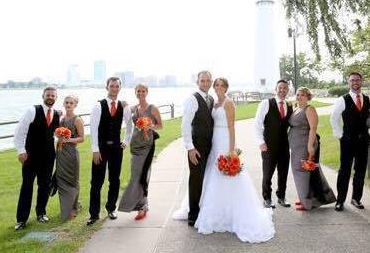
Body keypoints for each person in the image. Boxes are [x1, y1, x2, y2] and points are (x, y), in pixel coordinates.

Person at [174, 78, 275, 243]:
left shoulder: (228, 103)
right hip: (213, 143)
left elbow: (232, 127)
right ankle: (204, 208)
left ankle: (229, 213)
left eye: (222, 85)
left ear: (227, 88)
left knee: (226, 176)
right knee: (210, 174)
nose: (219, 87)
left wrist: (232, 150)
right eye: (217, 85)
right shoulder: (213, 102)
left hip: (225, 141)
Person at [13, 86, 61, 230]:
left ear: (56, 98)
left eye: (53, 95)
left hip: (48, 156)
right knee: (27, 186)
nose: (50, 97)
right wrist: (21, 150)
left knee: (44, 186)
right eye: (48, 95)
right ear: (43, 96)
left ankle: (41, 213)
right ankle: (21, 220)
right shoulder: (32, 110)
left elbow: (56, 134)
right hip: (31, 156)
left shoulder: (56, 115)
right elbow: (19, 132)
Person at [87, 77, 133, 225]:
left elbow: (130, 125)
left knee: (114, 180)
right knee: (97, 181)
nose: (114, 88)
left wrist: (126, 141)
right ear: (107, 87)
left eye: (116, 86)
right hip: (100, 149)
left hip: (116, 149)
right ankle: (93, 214)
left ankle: (111, 208)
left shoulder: (123, 106)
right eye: (111, 86)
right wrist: (95, 150)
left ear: (120, 88)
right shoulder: (98, 106)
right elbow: (93, 129)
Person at [118, 83, 163, 220]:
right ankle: (139, 205)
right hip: (135, 146)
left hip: (147, 147)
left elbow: (160, 126)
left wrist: (149, 125)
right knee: (135, 175)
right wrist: (123, 105)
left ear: (147, 92)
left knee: (143, 176)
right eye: (138, 91)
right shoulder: (133, 108)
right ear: (135, 92)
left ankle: (142, 207)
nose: (141, 93)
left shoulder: (153, 108)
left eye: (143, 91)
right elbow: (121, 114)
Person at [289, 87, 335, 211]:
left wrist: (310, 146)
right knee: (300, 171)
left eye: (302, 95)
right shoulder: (297, 109)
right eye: (298, 95)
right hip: (296, 145)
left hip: (305, 144)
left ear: (308, 97)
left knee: (303, 171)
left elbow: (313, 128)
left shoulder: (309, 109)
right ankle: (305, 198)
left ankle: (307, 202)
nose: (299, 97)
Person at [330, 72, 370, 211]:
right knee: (345, 170)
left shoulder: (367, 99)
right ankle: (340, 200)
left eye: (358, 80)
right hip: (347, 140)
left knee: (360, 170)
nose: (355, 82)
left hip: (364, 140)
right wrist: (340, 135)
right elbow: (333, 119)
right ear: (349, 82)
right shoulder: (342, 99)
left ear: (361, 82)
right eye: (352, 80)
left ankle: (356, 199)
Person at [180, 70, 215, 227]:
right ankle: (193, 214)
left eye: (208, 80)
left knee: (207, 178)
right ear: (197, 82)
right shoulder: (192, 99)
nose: (205, 83)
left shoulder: (211, 99)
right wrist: (190, 148)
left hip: (210, 145)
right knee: (196, 179)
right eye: (202, 81)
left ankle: (205, 208)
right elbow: (185, 124)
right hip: (197, 147)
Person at [253, 79, 293, 208]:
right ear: (275, 89)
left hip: (284, 145)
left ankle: (281, 197)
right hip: (269, 145)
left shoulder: (289, 105)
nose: (282, 90)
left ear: (288, 90)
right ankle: (267, 199)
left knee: (283, 172)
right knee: (267, 173)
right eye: (280, 88)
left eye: (285, 88)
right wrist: (261, 143)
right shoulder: (266, 103)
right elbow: (257, 124)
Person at [54, 95, 84, 221]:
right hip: (60, 153)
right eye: (66, 102)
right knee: (61, 180)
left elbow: (82, 138)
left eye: (71, 103)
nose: (68, 105)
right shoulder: (62, 119)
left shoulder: (77, 120)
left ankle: (73, 209)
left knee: (72, 180)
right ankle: (66, 208)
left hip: (71, 153)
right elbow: (57, 133)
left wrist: (68, 139)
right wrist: (59, 138)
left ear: (75, 105)